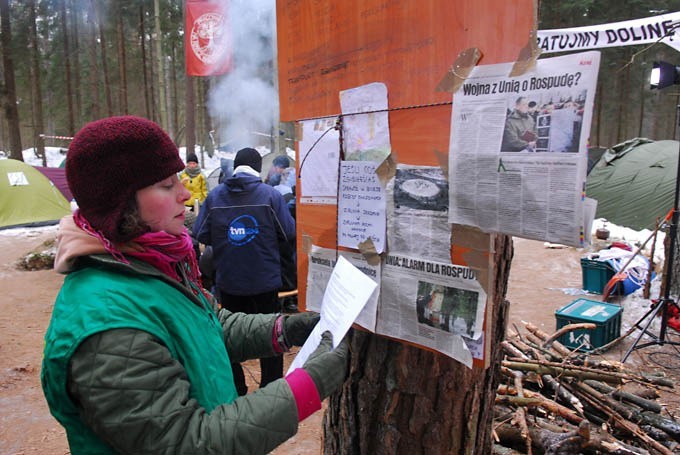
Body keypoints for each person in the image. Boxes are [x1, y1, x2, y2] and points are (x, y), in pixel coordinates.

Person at [41, 116, 349, 454]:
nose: (185, 194)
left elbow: (206, 326)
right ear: (121, 202)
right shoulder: (106, 325)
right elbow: (188, 442)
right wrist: (311, 384)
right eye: (166, 185)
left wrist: (287, 329)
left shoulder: (147, 264)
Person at [194, 147, 297, 396]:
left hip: (229, 281)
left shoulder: (216, 196)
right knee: (271, 333)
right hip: (265, 280)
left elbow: (200, 233)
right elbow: (288, 233)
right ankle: (271, 388)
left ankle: (237, 387)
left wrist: (227, 237)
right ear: (258, 167)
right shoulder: (270, 196)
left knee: (230, 335)